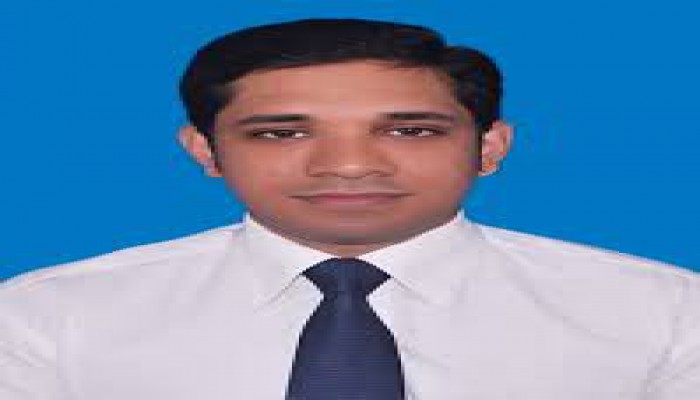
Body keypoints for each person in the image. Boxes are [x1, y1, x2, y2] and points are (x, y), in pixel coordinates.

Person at [1, 18, 698, 400]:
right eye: (282, 134)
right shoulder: (47, 318)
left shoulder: (666, 315)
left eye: (411, 130)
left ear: (490, 147)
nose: (350, 165)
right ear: (204, 151)